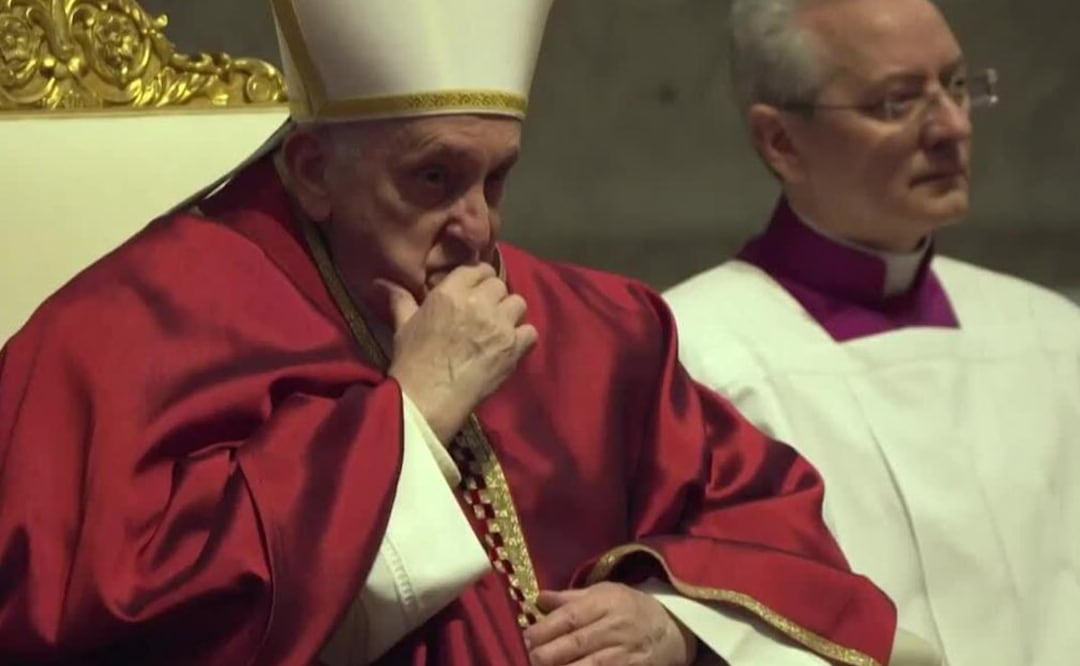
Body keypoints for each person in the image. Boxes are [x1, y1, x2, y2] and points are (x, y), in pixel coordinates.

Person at [0, 1, 928, 664]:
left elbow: (770, 526)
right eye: (434, 180)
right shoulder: (134, 329)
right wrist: (409, 415)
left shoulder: (595, 329)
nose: (480, 228)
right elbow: (117, 610)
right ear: (314, 170)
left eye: (497, 180)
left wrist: (675, 625)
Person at [664, 0, 1080, 664]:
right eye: (896, 102)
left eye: (957, 85)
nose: (951, 126)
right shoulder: (689, 358)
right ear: (781, 141)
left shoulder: (1053, 334)